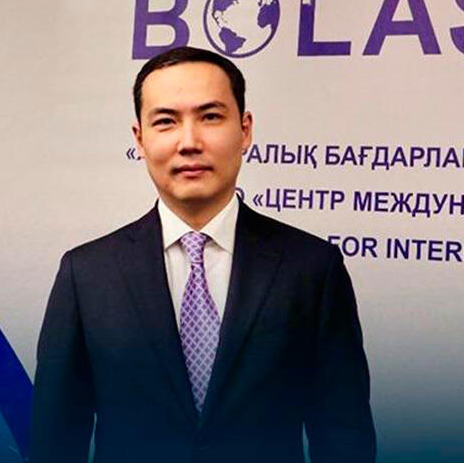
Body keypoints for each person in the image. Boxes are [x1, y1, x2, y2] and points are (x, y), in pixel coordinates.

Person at [30, 46, 375, 463]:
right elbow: (55, 440)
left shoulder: (313, 269)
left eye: (210, 117)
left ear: (244, 130)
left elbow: (344, 438)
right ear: (140, 138)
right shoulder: (86, 275)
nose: (189, 142)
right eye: (166, 121)